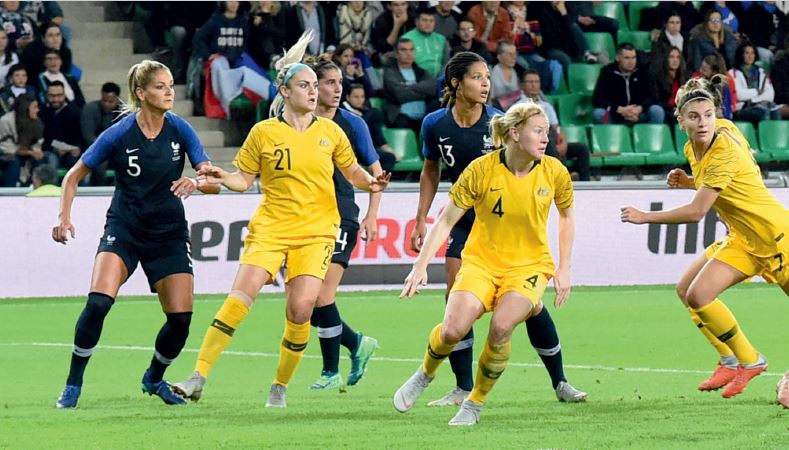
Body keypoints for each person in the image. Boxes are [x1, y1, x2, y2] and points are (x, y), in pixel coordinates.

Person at [171, 31, 390, 409]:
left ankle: (279, 387)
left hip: (317, 232)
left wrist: (371, 182)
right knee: (239, 300)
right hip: (271, 229)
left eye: (314, 85)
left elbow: (352, 172)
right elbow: (243, 180)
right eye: (304, 85)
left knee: (302, 309)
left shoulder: (331, 132)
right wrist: (222, 177)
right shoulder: (263, 132)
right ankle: (197, 376)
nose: (312, 91)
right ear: (285, 91)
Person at [410, 52, 586, 408]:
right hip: (465, 222)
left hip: (508, 227)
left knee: (529, 307)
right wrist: (421, 217)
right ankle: (461, 385)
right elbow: (431, 170)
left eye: (488, 77)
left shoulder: (500, 125)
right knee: (456, 304)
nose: (486, 83)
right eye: (477, 77)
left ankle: (559, 380)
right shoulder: (434, 124)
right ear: (456, 83)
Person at [52, 60, 218, 409]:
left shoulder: (181, 129)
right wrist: (64, 218)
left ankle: (154, 378)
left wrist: (197, 180)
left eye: (171, 84)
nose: (170, 91)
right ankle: (72, 384)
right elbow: (73, 176)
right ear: (141, 94)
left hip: (169, 233)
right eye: (160, 86)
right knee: (98, 303)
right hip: (125, 229)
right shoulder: (118, 133)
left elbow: (212, 180)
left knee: (181, 320)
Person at [621, 76, 785, 403]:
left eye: (708, 114)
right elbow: (722, 184)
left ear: (716, 112)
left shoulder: (724, 146)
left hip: (776, 236)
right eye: (694, 116)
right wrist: (689, 181)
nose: (703, 122)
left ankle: (751, 364)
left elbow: (698, 212)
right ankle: (744, 360)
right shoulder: (693, 145)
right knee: (694, 293)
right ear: (680, 121)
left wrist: (645, 217)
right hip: (744, 238)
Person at [302, 54, 383, 390]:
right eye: (330, 83)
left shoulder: (352, 124)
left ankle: (330, 371)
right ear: (312, 86)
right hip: (303, 218)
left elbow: (376, 174)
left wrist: (372, 215)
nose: (338, 90)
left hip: (340, 216)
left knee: (321, 296)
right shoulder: (295, 122)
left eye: (340, 83)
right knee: (302, 301)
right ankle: (357, 343)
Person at [518, 69, 591, 181]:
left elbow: (557, 128)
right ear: (522, 85)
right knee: (548, 134)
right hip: (533, 146)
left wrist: (564, 143)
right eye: (530, 82)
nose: (534, 85)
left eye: (536, 82)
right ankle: (563, 177)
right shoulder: (519, 107)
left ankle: (586, 183)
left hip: (551, 144)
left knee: (582, 149)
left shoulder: (546, 106)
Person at [592, 42, 665, 125]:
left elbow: (652, 96)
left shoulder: (642, 71)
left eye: (633, 57)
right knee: (598, 113)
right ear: (618, 58)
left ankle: (652, 137)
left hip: (638, 114)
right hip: (616, 115)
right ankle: (610, 136)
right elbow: (597, 99)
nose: (631, 62)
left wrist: (639, 109)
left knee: (657, 111)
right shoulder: (607, 72)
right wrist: (620, 109)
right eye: (627, 58)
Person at [382, 37, 437, 134]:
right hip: (401, 118)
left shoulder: (421, 72)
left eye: (411, 49)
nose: (408, 53)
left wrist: (410, 87)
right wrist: (422, 92)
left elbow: (433, 88)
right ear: (396, 53)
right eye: (404, 50)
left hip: (423, 118)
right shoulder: (390, 73)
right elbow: (400, 95)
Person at [342, 83, 397, 171]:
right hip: (350, 149)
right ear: (348, 97)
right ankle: (383, 146)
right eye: (356, 97)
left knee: (390, 158)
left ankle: (372, 174)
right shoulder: (341, 111)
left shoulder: (364, 111)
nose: (360, 100)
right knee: (374, 113)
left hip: (365, 149)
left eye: (362, 96)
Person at [729, 42, 780, 125]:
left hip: (760, 105)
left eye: (752, 53)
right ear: (741, 54)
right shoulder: (733, 73)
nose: (750, 56)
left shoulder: (762, 72)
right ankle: (763, 137)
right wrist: (757, 92)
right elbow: (739, 95)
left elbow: (770, 94)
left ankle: (777, 137)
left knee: (775, 112)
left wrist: (753, 100)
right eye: (747, 53)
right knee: (763, 113)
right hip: (742, 108)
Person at [0, 92, 44, 187]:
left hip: (26, 154)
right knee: (14, 162)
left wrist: (36, 152)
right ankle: (10, 194)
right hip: (6, 156)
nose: (38, 110)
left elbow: (37, 143)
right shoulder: (6, 121)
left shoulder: (37, 122)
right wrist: (28, 152)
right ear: (25, 108)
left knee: (44, 159)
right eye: (35, 107)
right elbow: (5, 148)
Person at [81, 82, 121, 186]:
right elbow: (88, 136)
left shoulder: (124, 112)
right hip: (95, 148)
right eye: (104, 100)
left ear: (117, 99)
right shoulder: (89, 109)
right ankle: (98, 190)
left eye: (111, 101)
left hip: (117, 150)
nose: (107, 104)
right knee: (100, 159)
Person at [401, 9, 450, 78]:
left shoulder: (441, 39)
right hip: (417, 77)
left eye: (431, 21)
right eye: (424, 20)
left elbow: (447, 62)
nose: (428, 23)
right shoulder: (407, 38)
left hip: (440, 77)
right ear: (417, 22)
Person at [650, 47, 688, 124]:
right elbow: (656, 100)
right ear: (666, 59)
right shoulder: (657, 77)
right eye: (671, 57)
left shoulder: (684, 78)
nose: (675, 60)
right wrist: (672, 108)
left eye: (678, 57)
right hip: (665, 110)